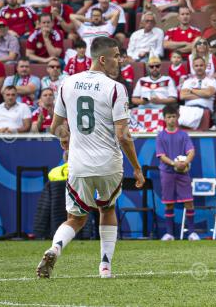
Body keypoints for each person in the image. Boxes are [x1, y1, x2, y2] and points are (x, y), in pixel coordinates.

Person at [37, 36, 144, 279]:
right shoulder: (116, 88)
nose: (120, 60)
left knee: (75, 218)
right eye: (116, 56)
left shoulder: (67, 83)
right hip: (108, 163)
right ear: (103, 59)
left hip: (78, 163)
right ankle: (105, 267)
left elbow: (55, 126)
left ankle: (55, 248)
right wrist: (136, 168)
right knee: (108, 209)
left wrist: (65, 138)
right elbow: (123, 135)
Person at [155, 104, 198, 241]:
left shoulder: (183, 135)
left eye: (174, 116)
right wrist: (174, 163)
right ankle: (169, 234)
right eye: (169, 117)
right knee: (169, 203)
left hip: (183, 172)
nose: (172, 119)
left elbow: (191, 151)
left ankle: (192, 233)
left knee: (189, 201)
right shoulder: (161, 136)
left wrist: (185, 163)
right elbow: (161, 155)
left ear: (178, 117)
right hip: (167, 173)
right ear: (164, 119)